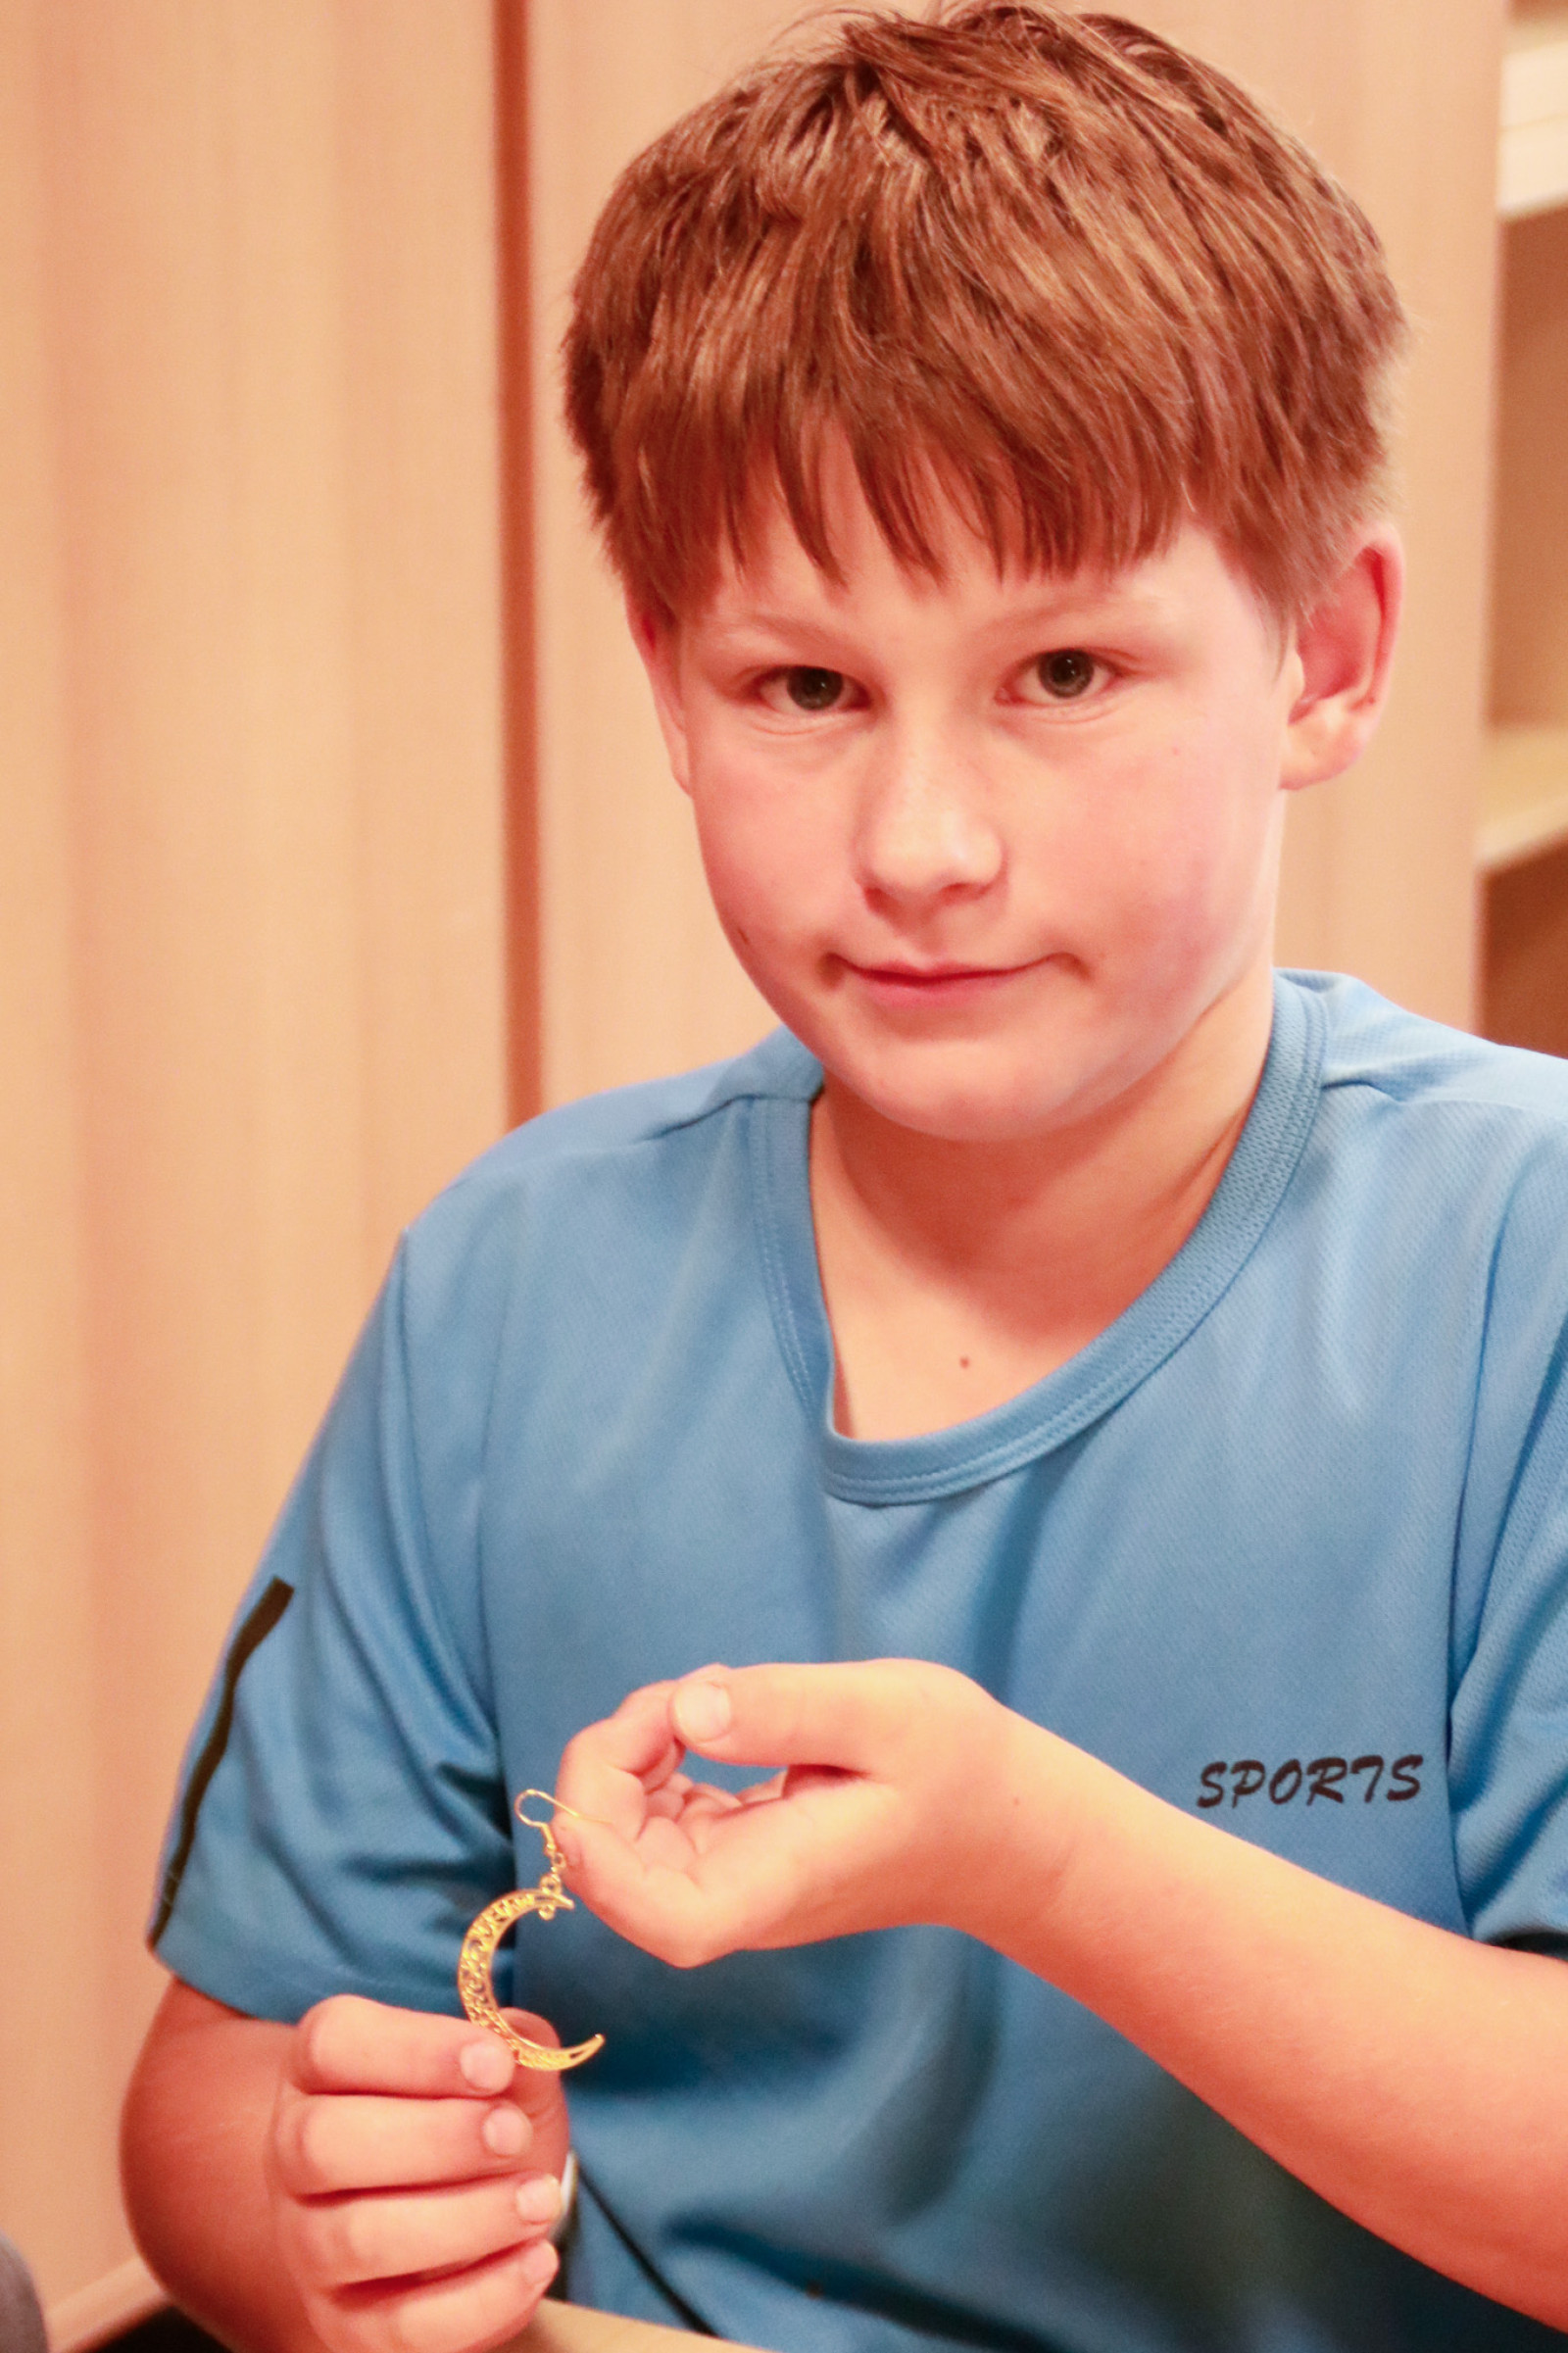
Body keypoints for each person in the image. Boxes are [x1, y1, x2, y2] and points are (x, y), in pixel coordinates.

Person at [120, 4, 1568, 2349]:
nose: (922, 845)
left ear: (1319, 654)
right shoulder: (512, 1285)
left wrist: (1030, 1852)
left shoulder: (1519, 1273)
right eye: (805, 690)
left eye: (1063, 672)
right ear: (670, 681)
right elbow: (212, 2090)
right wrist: (322, 2223)